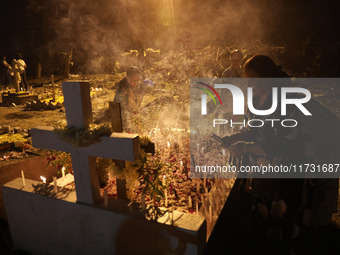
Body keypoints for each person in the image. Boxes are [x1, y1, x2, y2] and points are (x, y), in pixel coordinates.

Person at [204, 55, 305, 254]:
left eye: (253, 80)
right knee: (259, 221)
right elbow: (252, 129)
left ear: (267, 77)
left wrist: (246, 147)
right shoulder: (256, 99)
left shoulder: (287, 100)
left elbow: (284, 144)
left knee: (279, 225)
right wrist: (232, 138)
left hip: (283, 173)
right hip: (261, 170)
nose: (249, 85)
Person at [113, 66, 144, 130]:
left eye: (137, 80)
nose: (136, 83)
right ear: (128, 78)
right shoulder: (123, 89)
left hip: (131, 116)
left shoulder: (135, 87)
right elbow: (131, 108)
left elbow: (137, 105)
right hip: (121, 120)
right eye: (134, 80)